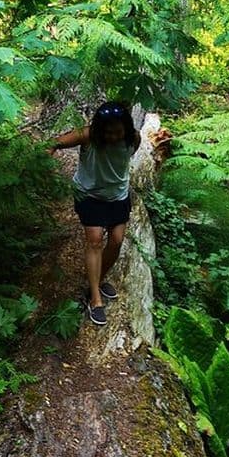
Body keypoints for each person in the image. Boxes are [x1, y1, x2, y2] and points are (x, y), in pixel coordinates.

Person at [47, 101, 141, 326]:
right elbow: (55, 142)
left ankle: (95, 282)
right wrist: (46, 161)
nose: (112, 136)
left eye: (117, 131)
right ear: (99, 129)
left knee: (116, 241)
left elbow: (125, 158)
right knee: (95, 241)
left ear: (126, 128)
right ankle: (95, 300)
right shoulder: (87, 136)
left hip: (118, 195)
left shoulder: (133, 138)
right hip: (89, 195)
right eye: (108, 132)